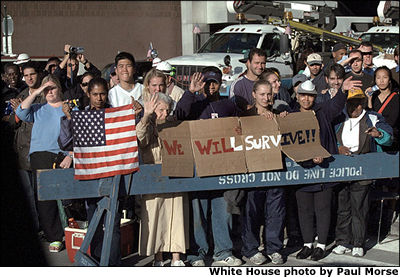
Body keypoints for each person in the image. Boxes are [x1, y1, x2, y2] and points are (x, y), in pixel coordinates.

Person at [176, 69, 242, 266]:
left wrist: (239, 128)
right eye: (207, 82)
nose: (210, 86)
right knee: (199, 211)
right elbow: (178, 115)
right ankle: (198, 253)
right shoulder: (193, 103)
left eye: (214, 82)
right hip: (198, 166)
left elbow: (240, 125)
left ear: (220, 83)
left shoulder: (228, 104)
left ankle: (223, 251)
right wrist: (190, 92)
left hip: (223, 166)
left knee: (223, 210)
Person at [58, 77, 122, 265]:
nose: (99, 98)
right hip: (90, 175)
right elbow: (64, 142)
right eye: (95, 94)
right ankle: (95, 260)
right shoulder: (81, 116)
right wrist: (69, 119)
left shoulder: (115, 115)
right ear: (88, 94)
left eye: (103, 93)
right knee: (93, 220)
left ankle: (114, 263)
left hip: (113, 175)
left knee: (113, 222)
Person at [332, 88, 393, 258]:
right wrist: (338, 148)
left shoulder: (373, 117)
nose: (355, 107)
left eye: (358, 103)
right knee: (343, 207)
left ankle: (358, 242)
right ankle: (342, 241)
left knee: (359, 207)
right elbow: (329, 138)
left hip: (363, 169)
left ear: (363, 103)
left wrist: (379, 134)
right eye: (351, 103)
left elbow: (389, 136)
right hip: (342, 169)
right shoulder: (339, 118)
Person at [15, 74, 71, 253]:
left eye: (52, 88)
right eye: (46, 89)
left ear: (59, 88)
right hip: (40, 155)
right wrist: (38, 90)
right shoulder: (38, 108)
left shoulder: (68, 107)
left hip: (63, 156)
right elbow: (20, 112)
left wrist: (71, 155)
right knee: (45, 199)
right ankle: (54, 236)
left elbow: (78, 133)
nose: (49, 92)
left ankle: (71, 231)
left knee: (68, 197)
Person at [292, 80, 346, 261]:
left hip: (323, 169)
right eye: (303, 95)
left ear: (314, 97)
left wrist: (342, 91)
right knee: (304, 209)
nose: (306, 99)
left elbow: (337, 105)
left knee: (323, 208)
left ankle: (321, 245)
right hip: (302, 170)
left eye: (310, 96)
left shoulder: (323, 111)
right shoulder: (291, 114)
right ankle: (307, 244)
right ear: (298, 96)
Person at [136, 92, 189, 267]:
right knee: (155, 217)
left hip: (175, 174)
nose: (165, 114)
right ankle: (158, 258)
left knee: (177, 216)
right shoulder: (147, 124)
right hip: (154, 178)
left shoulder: (172, 125)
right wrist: (146, 115)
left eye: (167, 110)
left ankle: (176, 257)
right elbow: (139, 138)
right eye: (161, 110)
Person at [239, 80, 288, 265]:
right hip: (253, 172)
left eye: (269, 94)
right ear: (254, 94)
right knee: (251, 212)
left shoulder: (278, 114)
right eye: (262, 94)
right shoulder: (245, 116)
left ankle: (274, 248)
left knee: (275, 212)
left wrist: (281, 120)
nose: (266, 98)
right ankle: (251, 249)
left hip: (275, 171)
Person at [8, 62, 43, 233]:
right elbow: (10, 123)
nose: (29, 78)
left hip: (38, 150)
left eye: (32, 74)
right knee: (28, 196)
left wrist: (23, 113)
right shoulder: (20, 95)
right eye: (26, 75)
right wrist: (16, 117)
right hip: (21, 151)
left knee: (41, 195)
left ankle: (46, 227)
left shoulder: (45, 95)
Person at [366, 66, 399, 151]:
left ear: (389, 80)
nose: (381, 81)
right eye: (378, 78)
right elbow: (369, 116)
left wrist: (379, 131)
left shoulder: (396, 98)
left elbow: (392, 120)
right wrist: (369, 99)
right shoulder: (373, 97)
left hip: (391, 139)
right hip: (374, 140)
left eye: (385, 77)